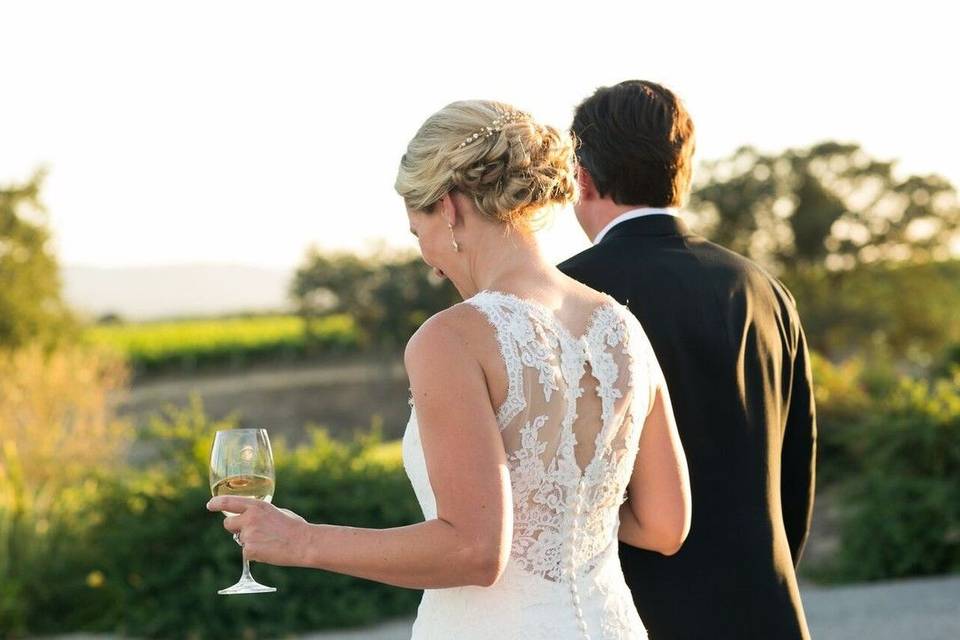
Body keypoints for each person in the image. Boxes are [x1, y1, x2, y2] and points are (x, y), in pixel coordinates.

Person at [207, 99, 691, 639]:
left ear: (449, 206)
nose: (430, 262)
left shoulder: (453, 338)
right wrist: (561, 518)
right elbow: (666, 525)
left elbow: (474, 551)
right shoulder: (620, 326)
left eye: (420, 234)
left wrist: (302, 541)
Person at [558, 80, 817, 640]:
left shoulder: (564, 296)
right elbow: (795, 465)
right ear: (686, 169)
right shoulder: (763, 288)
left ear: (582, 175)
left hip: (637, 614)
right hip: (767, 609)